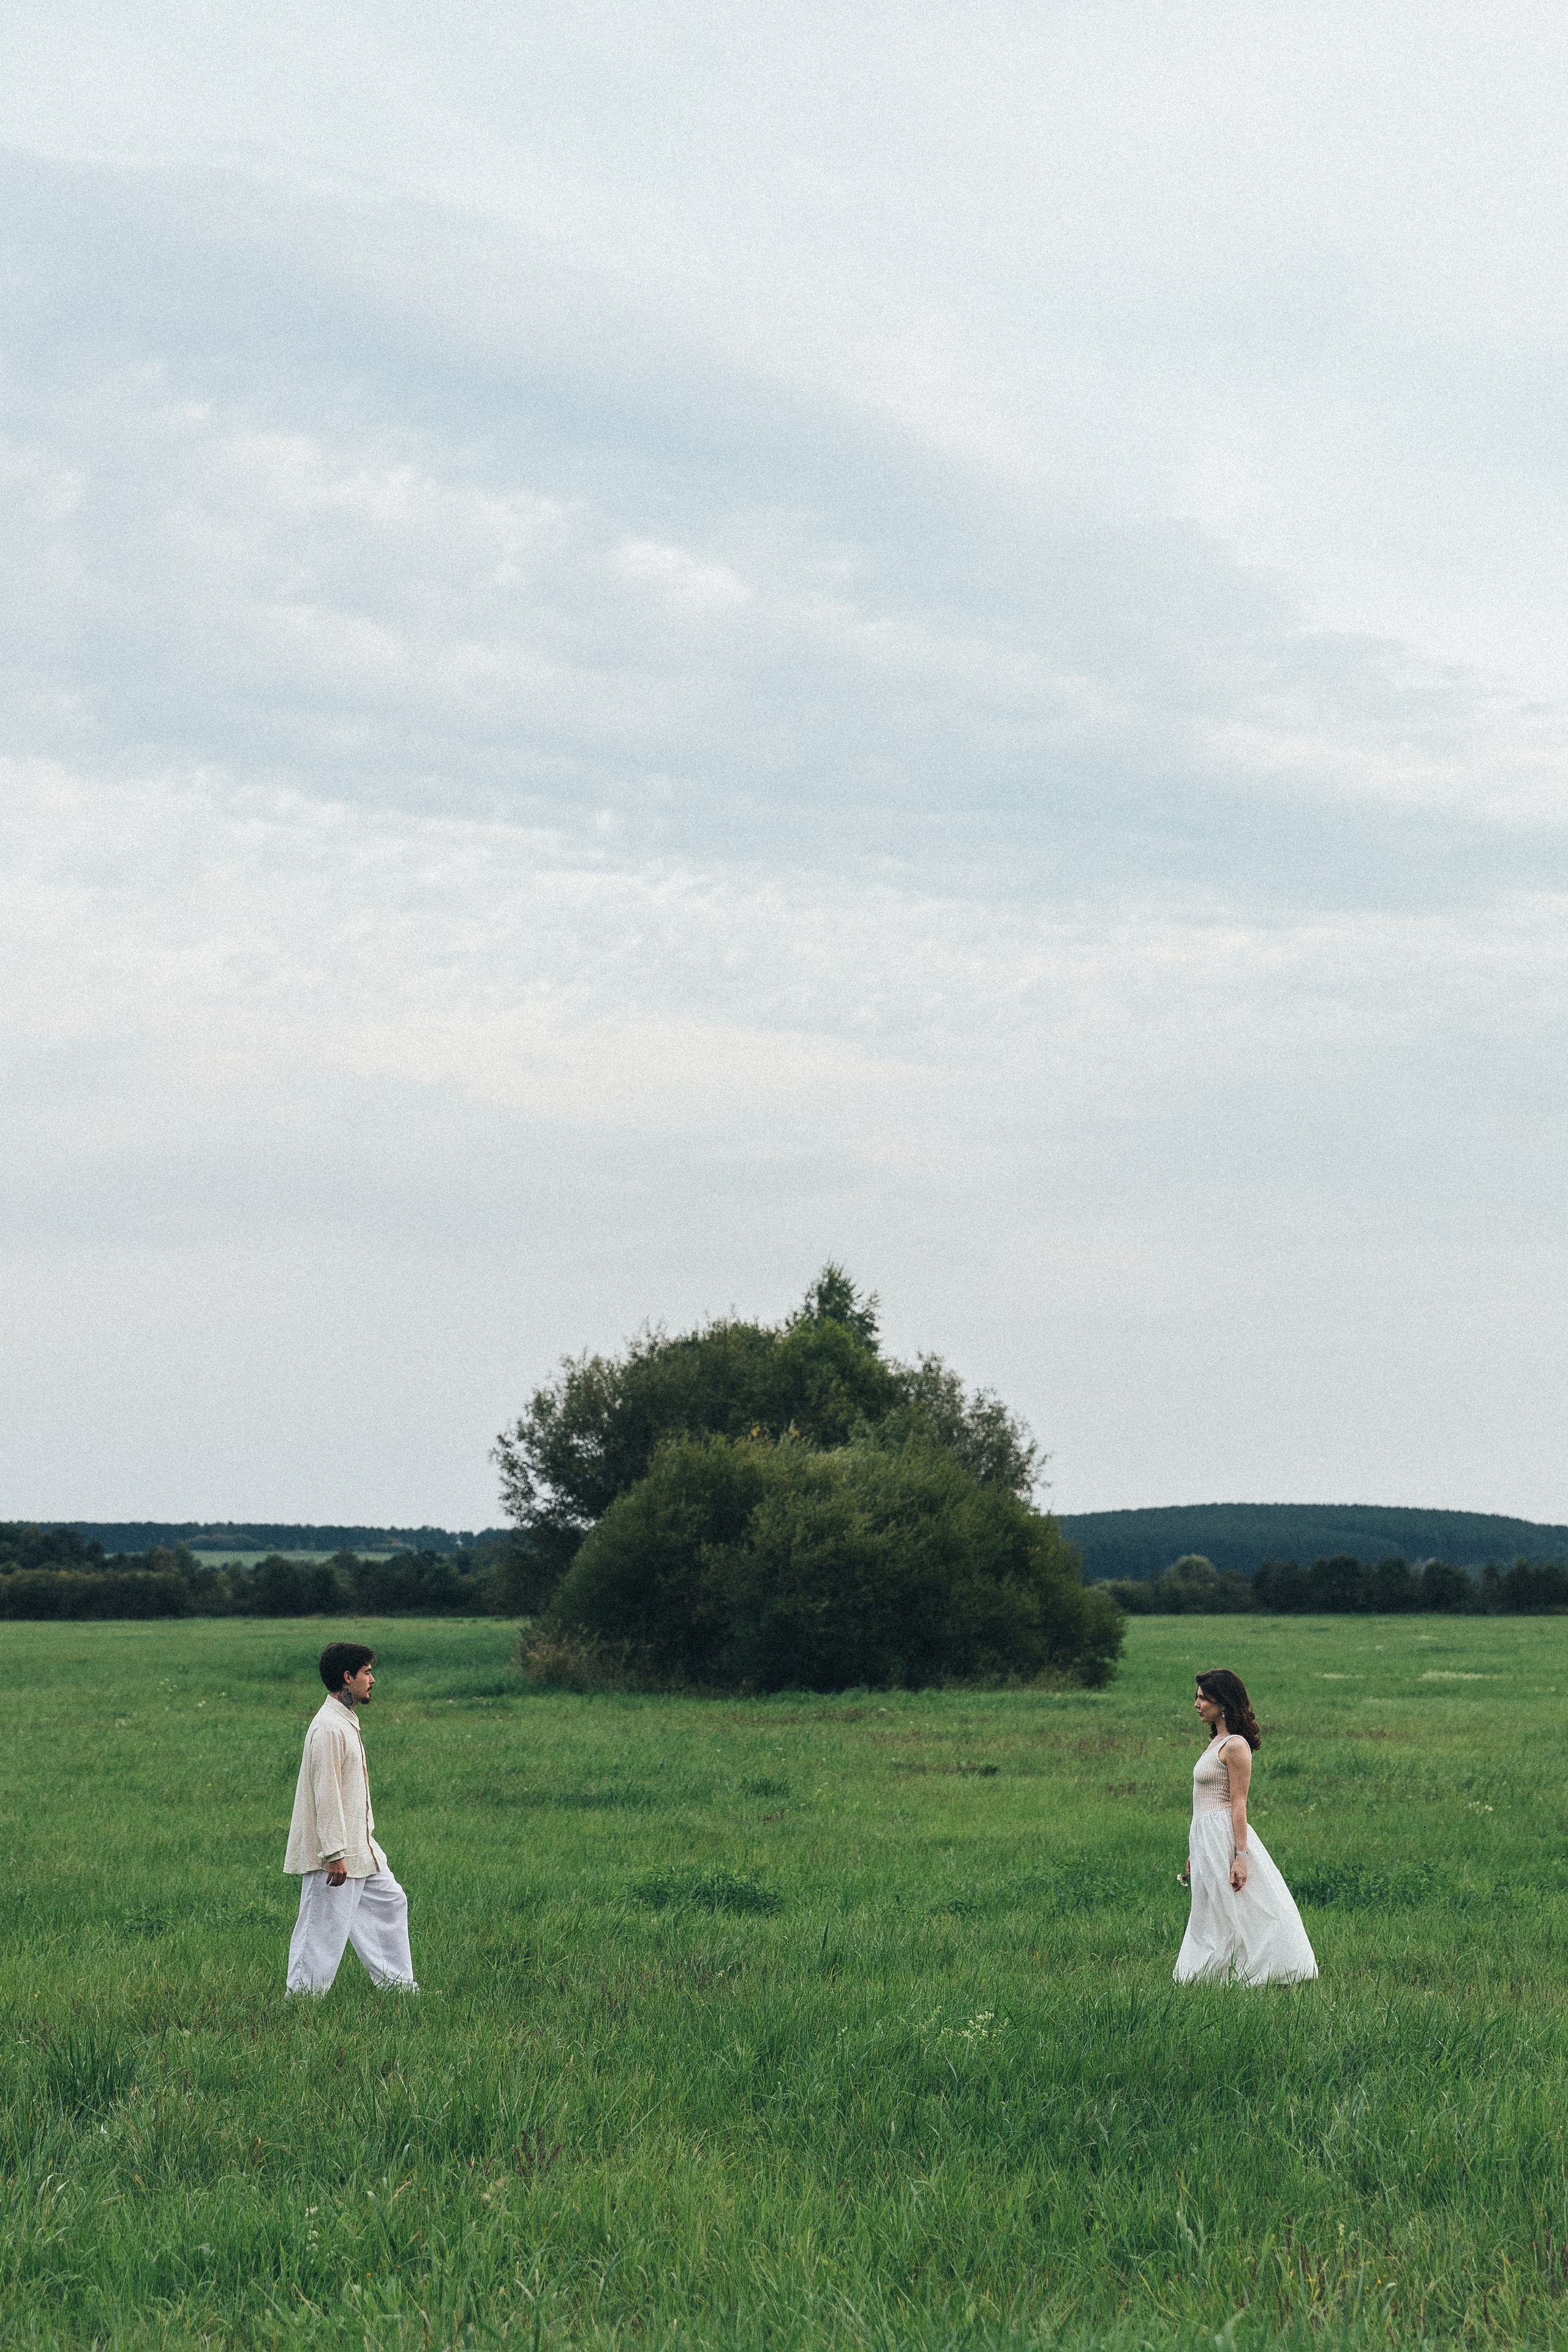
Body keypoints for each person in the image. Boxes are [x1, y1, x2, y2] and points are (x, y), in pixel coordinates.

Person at [284, 1641, 419, 1997]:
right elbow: (325, 1795)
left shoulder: (344, 1721)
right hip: (335, 1856)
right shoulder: (328, 1727)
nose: (372, 1679)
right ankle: (301, 2002)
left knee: (391, 1903)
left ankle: (399, 1989)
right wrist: (334, 1855)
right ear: (348, 1678)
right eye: (367, 1672)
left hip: (361, 1850)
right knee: (321, 1929)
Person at [1174, 1666, 1316, 1986]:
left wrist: (1241, 1855)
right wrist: (1194, 1850)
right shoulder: (1216, 1742)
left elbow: (1238, 1803)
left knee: (1243, 1907)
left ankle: (1268, 1970)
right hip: (1205, 1837)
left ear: (1222, 1703)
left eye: (1203, 1699)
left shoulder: (1236, 1745)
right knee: (1211, 1908)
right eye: (1197, 1698)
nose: (1197, 1705)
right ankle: (1208, 1976)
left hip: (1224, 1835)